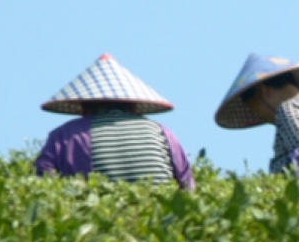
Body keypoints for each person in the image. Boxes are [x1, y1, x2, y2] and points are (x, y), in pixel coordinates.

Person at [32, 54, 195, 188]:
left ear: (84, 105)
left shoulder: (64, 136)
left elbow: (44, 183)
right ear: (134, 104)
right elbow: (187, 187)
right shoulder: (163, 133)